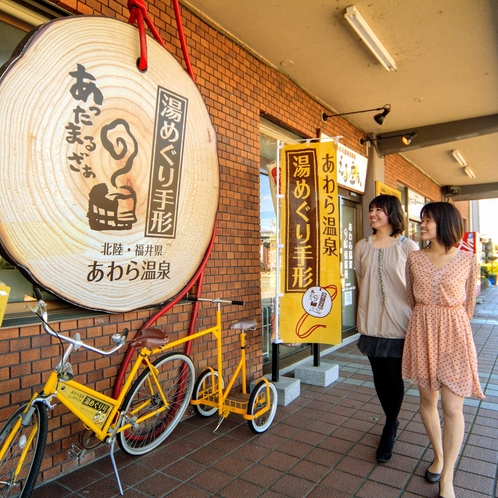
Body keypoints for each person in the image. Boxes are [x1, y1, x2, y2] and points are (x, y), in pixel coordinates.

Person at [402, 202, 484, 498]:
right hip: (422, 330)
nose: (422, 224)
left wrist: (446, 319)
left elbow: (469, 306)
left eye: (428, 220)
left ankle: (448, 475)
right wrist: (428, 317)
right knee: (427, 400)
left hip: (455, 334)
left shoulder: (467, 259)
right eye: (422, 219)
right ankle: (437, 454)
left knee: (452, 408)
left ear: (445, 223)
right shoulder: (414, 257)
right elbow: (411, 297)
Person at [354, 194, 419, 462]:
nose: (373, 214)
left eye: (379, 209)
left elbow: (417, 285)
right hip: (370, 321)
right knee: (379, 377)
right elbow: (361, 278)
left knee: (394, 376)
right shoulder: (361, 246)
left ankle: (390, 425)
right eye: (370, 210)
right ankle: (391, 420)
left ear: (392, 213)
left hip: (400, 322)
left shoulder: (408, 246)